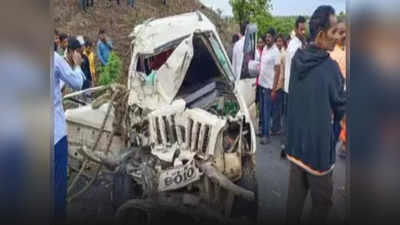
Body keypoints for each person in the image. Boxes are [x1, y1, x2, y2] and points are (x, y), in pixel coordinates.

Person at [284, 6, 345, 225]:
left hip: (296, 146)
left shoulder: (297, 59)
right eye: (333, 32)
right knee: (322, 204)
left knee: (294, 202)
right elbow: (341, 110)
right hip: (318, 153)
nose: (337, 38)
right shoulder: (330, 69)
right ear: (320, 35)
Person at [53, 37, 84, 223]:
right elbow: (78, 83)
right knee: (57, 186)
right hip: (54, 134)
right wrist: (78, 66)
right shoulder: (55, 60)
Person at [281, 16, 306, 153]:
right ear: (296, 29)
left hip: (293, 88)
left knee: (292, 118)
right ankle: (287, 146)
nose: (303, 32)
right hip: (292, 89)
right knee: (291, 119)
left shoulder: (298, 44)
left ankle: (288, 145)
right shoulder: (294, 46)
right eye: (301, 29)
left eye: (304, 29)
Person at [258, 28, 281, 145]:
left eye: (269, 37)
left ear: (273, 37)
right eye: (266, 36)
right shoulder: (265, 49)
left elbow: (277, 71)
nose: (267, 39)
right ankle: (263, 131)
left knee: (267, 112)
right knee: (262, 110)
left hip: (268, 87)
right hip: (261, 84)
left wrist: (274, 89)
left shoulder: (276, 51)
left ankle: (267, 136)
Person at [330, 21, 347, 158]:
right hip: (332, 102)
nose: (345, 35)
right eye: (341, 32)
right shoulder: (331, 53)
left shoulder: (345, 52)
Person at [271, 33, 286, 136]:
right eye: (277, 41)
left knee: (277, 108)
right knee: (275, 107)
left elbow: (284, 71)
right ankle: (276, 127)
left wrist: (282, 84)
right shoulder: (275, 52)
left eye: (280, 41)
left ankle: (276, 128)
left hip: (280, 85)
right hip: (273, 83)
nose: (278, 43)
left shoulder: (284, 54)